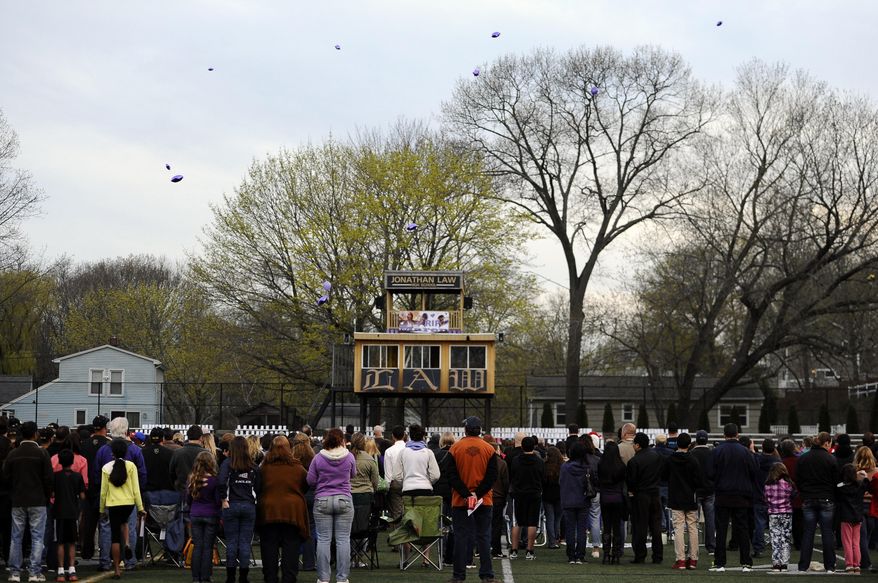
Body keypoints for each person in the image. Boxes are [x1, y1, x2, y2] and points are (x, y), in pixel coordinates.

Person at [446, 416, 498, 583]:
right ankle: (487, 575)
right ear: (480, 430)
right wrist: (478, 494)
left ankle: (458, 576)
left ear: (465, 430)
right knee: (483, 537)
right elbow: (492, 476)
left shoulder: (455, 448)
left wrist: (466, 494)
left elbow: (451, 476)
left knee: (461, 537)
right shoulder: (489, 449)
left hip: (460, 500)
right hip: (484, 500)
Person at [94, 418, 146, 573]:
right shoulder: (135, 450)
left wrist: (101, 504)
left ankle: (105, 561)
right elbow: (142, 475)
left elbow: (97, 475)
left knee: (106, 529)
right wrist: (139, 501)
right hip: (129, 500)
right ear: (126, 431)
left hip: (110, 500)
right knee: (129, 529)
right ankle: (130, 561)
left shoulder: (103, 450)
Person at [3, 421, 53, 583]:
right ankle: (34, 572)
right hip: (38, 499)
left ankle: (15, 572)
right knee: (37, 537)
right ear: (35, 434)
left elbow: (6, 478)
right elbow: (48, 479)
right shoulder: (42, 454)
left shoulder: (13, 454)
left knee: (16, 537)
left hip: (18, 499)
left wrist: (13, 492)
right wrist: (46, 496)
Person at [257, 436, 309, 583]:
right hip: (292, 512)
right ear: (289, 448)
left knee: (268, 547)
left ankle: (270, 578)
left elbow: (258, 487)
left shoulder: (264, 468)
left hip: (268, 511)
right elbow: (306, 485)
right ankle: (289, 578)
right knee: (291, 548)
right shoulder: (297, 467)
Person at [707, 423, 758, 573]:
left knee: (721, 529)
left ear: (724, 434)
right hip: (742, 495)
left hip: (723, 494)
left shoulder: (717, 451)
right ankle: (746, 562)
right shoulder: (745, 452)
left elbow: (709, 473)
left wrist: (718, 482)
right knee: (742, 529)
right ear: (737, 434)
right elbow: (754, 471)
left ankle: (720, 562)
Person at [307, 428, 356, 583]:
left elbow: (310, 480)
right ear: (342, 440)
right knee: (343, 540)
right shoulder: (349, 456)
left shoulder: (318, 458)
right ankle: (342, 578)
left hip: (322, 500)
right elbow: (353, 474)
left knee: (323, 540)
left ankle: (323, 578)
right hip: (344, 499)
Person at [796, 431, 840, 573]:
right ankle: (830, 566)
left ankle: (803, 565)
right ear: (826, 443)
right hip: (826, 498)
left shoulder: (803, 458)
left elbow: (798, 479)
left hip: (808, 498)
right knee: (827, 533)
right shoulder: (831, 459)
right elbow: (836, 481)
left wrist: (804, 493)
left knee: (808, 533)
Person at [218, 437, 259, 583]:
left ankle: (230, 578)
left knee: (232, 542)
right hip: (248, 506)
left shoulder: (227, 464)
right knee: (245, 543)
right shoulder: (253, 466)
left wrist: (223, 499)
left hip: (231, 505)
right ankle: (243, 577)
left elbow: (221, 482)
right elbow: (258, 487)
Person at [664, 433, 702, 570]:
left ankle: (680, 560)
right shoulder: (693, 460)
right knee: (692, 528)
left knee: (678, 528)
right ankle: (693, 559)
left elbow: (664, 475)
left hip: (675, 497)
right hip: (690, 497)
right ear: (689, 444)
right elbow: (698, 481)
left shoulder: (671, 459)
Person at [626, 432, 664, 564]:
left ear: (637, 445)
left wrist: (632, 491)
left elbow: (631, 482)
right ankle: (658, 555)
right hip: (655, 494)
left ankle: (640, 555)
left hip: (641, 496)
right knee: (656, 526)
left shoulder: (634, 461)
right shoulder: (657, 456)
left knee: (640, 526)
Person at [186, 451, 222, 583]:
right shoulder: (214, 480)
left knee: (198, 546)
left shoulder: (192, 478)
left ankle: (196, 577)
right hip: (211, 514)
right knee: (207, 547)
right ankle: (206, 576)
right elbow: (218, 501)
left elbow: (188, 499)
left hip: (195, 514)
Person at [79, 415, 110, 561]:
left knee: (88, 522)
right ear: (105, 427)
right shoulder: (109, 444)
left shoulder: (84, 443)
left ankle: (87, 551)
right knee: (104, 523)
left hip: (87, 487)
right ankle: (105, 553)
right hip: (103, 488)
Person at [509, 436, 544, 560]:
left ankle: (514, 550)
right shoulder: (539, 461)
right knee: (532, 522)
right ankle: (529, 550)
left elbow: (512, 475)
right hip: (534, 493)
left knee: (517, 522)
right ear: (534, 446)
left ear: (522, 446)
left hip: (518, 494)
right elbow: (542, 477)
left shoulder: (516, 460)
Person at [53, 449, 85, 583]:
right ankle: (72, 570)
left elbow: (52, 494)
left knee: (60, 542)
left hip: (58, 512)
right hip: (73, 512)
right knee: (72, 542)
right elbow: (83, 495)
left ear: (59, 461)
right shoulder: (77, 476)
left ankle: (60, 570)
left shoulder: (55, 476)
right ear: (72, 461)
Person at [560, 442, 593, 564]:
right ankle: (580, 555)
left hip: (568, 501)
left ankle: (571, 555)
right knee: (581, 529)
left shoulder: (565, 467)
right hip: (583, 500)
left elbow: (561, 483)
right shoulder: (587, 467)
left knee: (570, 529)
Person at [837, 463, 869, 573]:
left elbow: (837, 485)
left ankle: (849, 564)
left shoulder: (841, 487)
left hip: (846, 517)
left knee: (847, 542)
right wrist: (862, 474)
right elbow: (866, 481)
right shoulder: (860, 486)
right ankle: (857, 565)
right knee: (856, 542)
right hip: (858, 516)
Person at [597, 441, 626, 564]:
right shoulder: (621, 466)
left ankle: (606, 553)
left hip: (605, 498)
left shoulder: (601, 464)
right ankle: (616, 553)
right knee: (617, 527)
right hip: (618, 498)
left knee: (607, 527)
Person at [764, 462, 796, 572]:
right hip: (786, 512)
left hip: (773, 513)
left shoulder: (768, 484)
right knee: (785, 538)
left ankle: (776, 563)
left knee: (775, 538)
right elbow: (793, 496)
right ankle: (784, 562)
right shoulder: (788, 483)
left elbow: (766, 499)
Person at [689, 429, 715, 555]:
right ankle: (711, 546)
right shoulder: (712, 453)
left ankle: (693, 547)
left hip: (695, 490)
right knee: (710, 519)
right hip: (709, 489)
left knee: (693, 521)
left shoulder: (692, 453)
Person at [395, 424, 440, 496]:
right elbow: (436, 475)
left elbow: (396, 476)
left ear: (410, 436)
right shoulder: (428, 452)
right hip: (425, 489)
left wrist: (405, 482)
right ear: (423, 437)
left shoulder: (402, 453)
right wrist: (428, 482)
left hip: (408, 489)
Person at [483, 436, 508, 560]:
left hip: (484, 496)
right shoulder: (502, 463)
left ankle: (480, 549)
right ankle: (496, 550)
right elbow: (505, 483)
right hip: (498, 498)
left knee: (483, 524)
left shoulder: (483, 462)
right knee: (496, 525)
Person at [141, 428, 177, 507]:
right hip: (167, 492)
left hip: (149, 491)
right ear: (163, 439)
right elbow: (174, 473)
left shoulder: (143, 453)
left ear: (150, 438)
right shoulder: (170, 453)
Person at [854, 446, 876, 573]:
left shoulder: (854, 471)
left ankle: (864, 561)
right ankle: (864, 560)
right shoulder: (876, 471)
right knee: (867, 537)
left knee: (861, 537)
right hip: (873, 506)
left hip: (858, 506)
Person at [778, 439, 803, 550]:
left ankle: (785, 542)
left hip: (784, 496)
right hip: (798, 494)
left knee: (784, 522)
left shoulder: (781, 463)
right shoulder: (799, 461)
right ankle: (799, 542)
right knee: (798, 521)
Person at [169, 425, 207, 497]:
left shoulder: (177, 453)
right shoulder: (206, 454)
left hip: (182, 490)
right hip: (201, 491)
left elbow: (171, 472)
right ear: (201, 438)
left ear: (188, 437)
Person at [382, 425, 407, 525]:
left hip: (395, 484)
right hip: (408, 482)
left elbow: (388, 472)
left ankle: (399, 537)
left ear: (393, 436)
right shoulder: (409, 449)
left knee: (396, 515)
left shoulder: (389, 451)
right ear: (404, 435)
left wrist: (386, 488)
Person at [542, 446, 563, 549]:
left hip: (547, 496)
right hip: (559, 495)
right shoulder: (562, 466)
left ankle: (552, 541)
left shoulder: (545, 466)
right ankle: (556, 539)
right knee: (557, 519)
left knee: (550, 518)